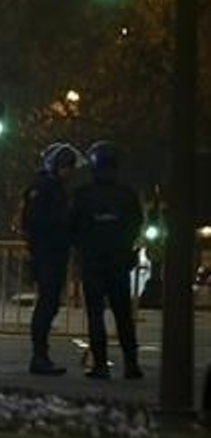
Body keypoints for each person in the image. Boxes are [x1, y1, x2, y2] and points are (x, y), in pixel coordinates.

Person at [70, 140, 144, 380]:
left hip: (93, 261)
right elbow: (136, 222)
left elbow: (72, 225)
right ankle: (131, 364)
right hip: (119, 261)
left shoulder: (83, 195)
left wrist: (82, 247)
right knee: (123, 315)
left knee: (96, 314)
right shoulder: (126, 194)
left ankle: (100, 364)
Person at [20, 143, 81, 375]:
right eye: (67, 167)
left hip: (52, 253)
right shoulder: (45, 188)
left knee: (50, 303)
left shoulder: (53, 187)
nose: (70, 172)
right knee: (47, 304)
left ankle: (41, 355)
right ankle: (39, 355)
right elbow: (36, 222)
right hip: (47, 253)